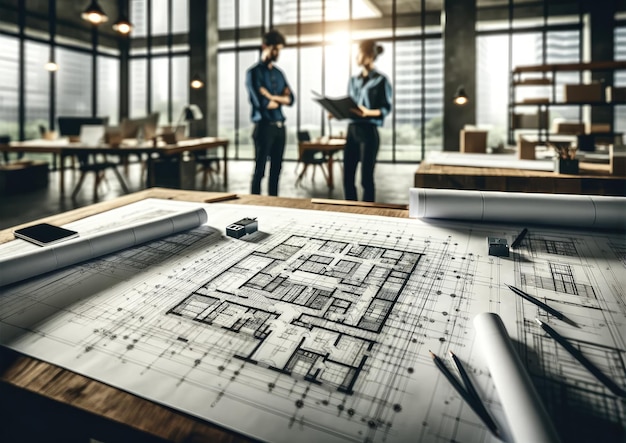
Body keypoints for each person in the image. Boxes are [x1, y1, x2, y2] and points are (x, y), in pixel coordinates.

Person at [245, 29, 295, 196]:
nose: (277, 53)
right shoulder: (253, 73)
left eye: (279, 50)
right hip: (263, 128)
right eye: (274, 49)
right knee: (260, 171)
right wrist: (280, 98)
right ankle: (254, 207)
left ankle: (275, 205)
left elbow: (291, 100)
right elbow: (262, 103)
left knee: (276, 172)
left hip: (280, 129)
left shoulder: (280, 73)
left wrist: (272, 96)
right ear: (264, 46)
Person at [342, 39, 392, 202]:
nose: (357, 57)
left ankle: (367, 215)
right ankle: (351, 212)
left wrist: (369, 112)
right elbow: (350, 105)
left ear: (369, 56)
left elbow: (386, 108)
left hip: (368, 133)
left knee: (366, 179)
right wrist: (337, 111)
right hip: (352, 131)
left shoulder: (381, 80)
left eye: (360, 53)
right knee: (347, 177)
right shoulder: (353, 80)